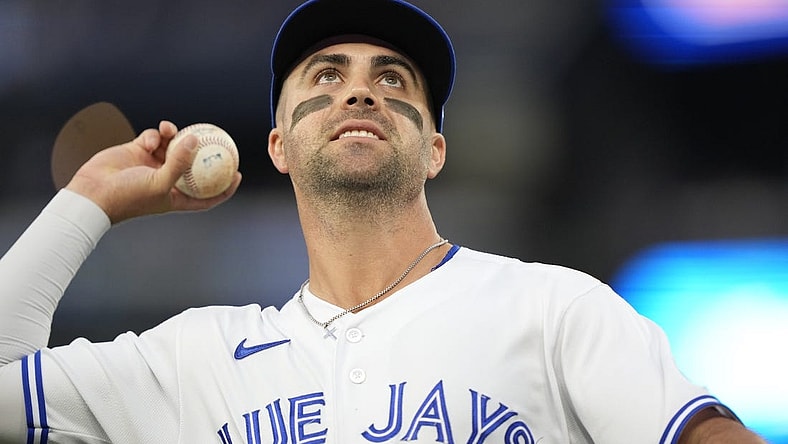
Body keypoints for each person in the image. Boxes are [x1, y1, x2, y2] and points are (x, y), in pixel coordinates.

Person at [0, 0, 769, 442]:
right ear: (279, 147)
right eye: (326, 76)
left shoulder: (552, 310)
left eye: (391, 78)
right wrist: (90, 198)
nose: (359, 93)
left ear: (434, 149)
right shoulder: (190, 362)